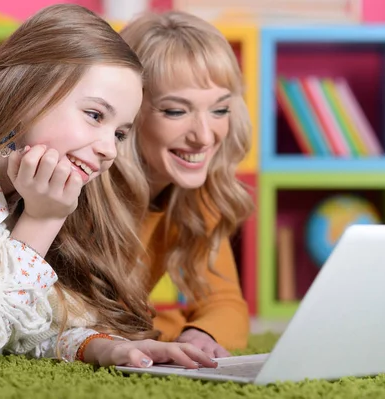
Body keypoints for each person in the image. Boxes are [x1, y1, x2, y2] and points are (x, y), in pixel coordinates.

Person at [0, 4, 216, 372]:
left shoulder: (29, 189)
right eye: (95, 115)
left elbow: (18, 321)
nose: (108, 149)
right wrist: (41, 221)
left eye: (119, 133)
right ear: (28, 93)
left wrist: (103, 349)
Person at [110, 10, 255, 357]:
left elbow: (226, 303)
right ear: (129, 111)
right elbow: (75, 321)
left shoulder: (200, 192)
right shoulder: (86, 186)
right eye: (176, 111)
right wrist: (168, 326)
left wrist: (200, 333)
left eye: (219, 110)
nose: (204, 136)